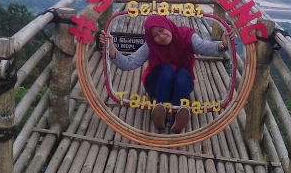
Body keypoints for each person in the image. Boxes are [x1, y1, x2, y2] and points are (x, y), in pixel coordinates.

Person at [100, 15, 233, 133]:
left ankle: (178, 115)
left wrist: (222, 45)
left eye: (161, 30)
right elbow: (129, 63)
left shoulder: (186, 35)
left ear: (167, 25)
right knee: (167, 69)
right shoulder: (150, 45)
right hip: (156, 84)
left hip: (180, 84)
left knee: (181, 73)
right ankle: (160, 109)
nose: (160, 37)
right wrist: (111, 48)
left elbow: (204, 47)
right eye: (155, 36)